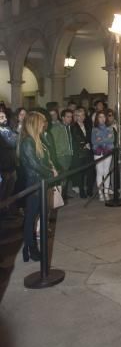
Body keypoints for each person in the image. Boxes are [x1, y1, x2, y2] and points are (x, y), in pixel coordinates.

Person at [19, 111, 55, 262]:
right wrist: (50, 173)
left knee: (40, 215)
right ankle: (30, 248)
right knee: (31, 218)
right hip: (34, 185)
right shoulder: (27, 142)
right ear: (34, 123)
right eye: (41, 122)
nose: (44, 124)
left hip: (41, 183)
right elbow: (34, 165)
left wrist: (51, 168)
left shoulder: (37, 140)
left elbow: (44, 160)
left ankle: (29, 246)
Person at [49, 108, 74, 198]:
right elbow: (52, 144)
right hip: (61, 156)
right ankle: (58, 197)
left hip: (68, 155)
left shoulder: (68, 127)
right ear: (62, 117)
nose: (70, 119)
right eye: (68, 117)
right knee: (61, 178)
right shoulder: (56, 128)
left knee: (65, 177)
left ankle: (63, 195)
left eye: (71, 117)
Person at [71, 107, 95, 198]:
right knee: (81, 174)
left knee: (91, 172)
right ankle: (82, 191)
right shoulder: (73, 127)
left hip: (89, 152)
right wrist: (85, 144)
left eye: (82, 115)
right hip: (80, 153)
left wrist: (89, 144)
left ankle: (89, 190)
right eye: (78, 115)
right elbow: (76, 139)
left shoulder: (88, 125)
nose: (81, 117)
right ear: (76, 117)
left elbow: (91, 137)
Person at [91, 111, 114, 201]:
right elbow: (94, 141)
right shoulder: (94, 129)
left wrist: (101, 138)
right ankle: (100, 193)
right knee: (100, 172)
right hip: (98, 152)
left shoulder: (110, 128)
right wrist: (106, 138)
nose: (102, 119)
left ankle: (106, 192)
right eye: (100, 117)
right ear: (97, 118)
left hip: (108, 151)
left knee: (106, 172)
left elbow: (112, 140)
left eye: (103, 117)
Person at [0, 108, 17, 214]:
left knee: (8, 193)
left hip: (11, 166)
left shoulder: (8, 130)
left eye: (5, 117)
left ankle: (5, 212)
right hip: (2, 168)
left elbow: (14, 145)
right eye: (1, 117)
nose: (4, 119)